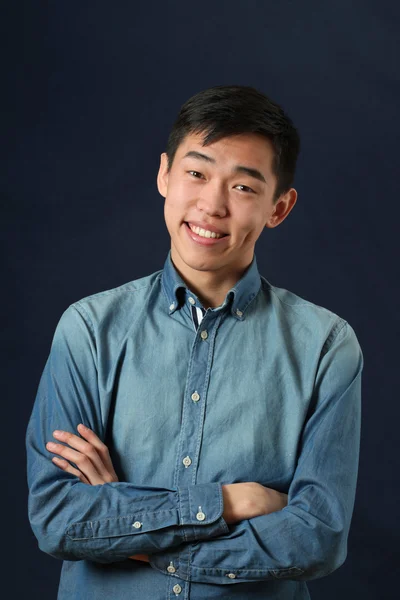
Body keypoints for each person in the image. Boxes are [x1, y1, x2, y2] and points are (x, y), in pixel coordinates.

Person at [26, 85, 363, 600]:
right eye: (197, 173)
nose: (211, 205)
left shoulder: (326, 347)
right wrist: (230, 503)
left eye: (244, 187)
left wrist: (131, 531)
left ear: (280, 206)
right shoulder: (88, 330)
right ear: (164, 174)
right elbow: (58, 518)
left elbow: (317, 536)